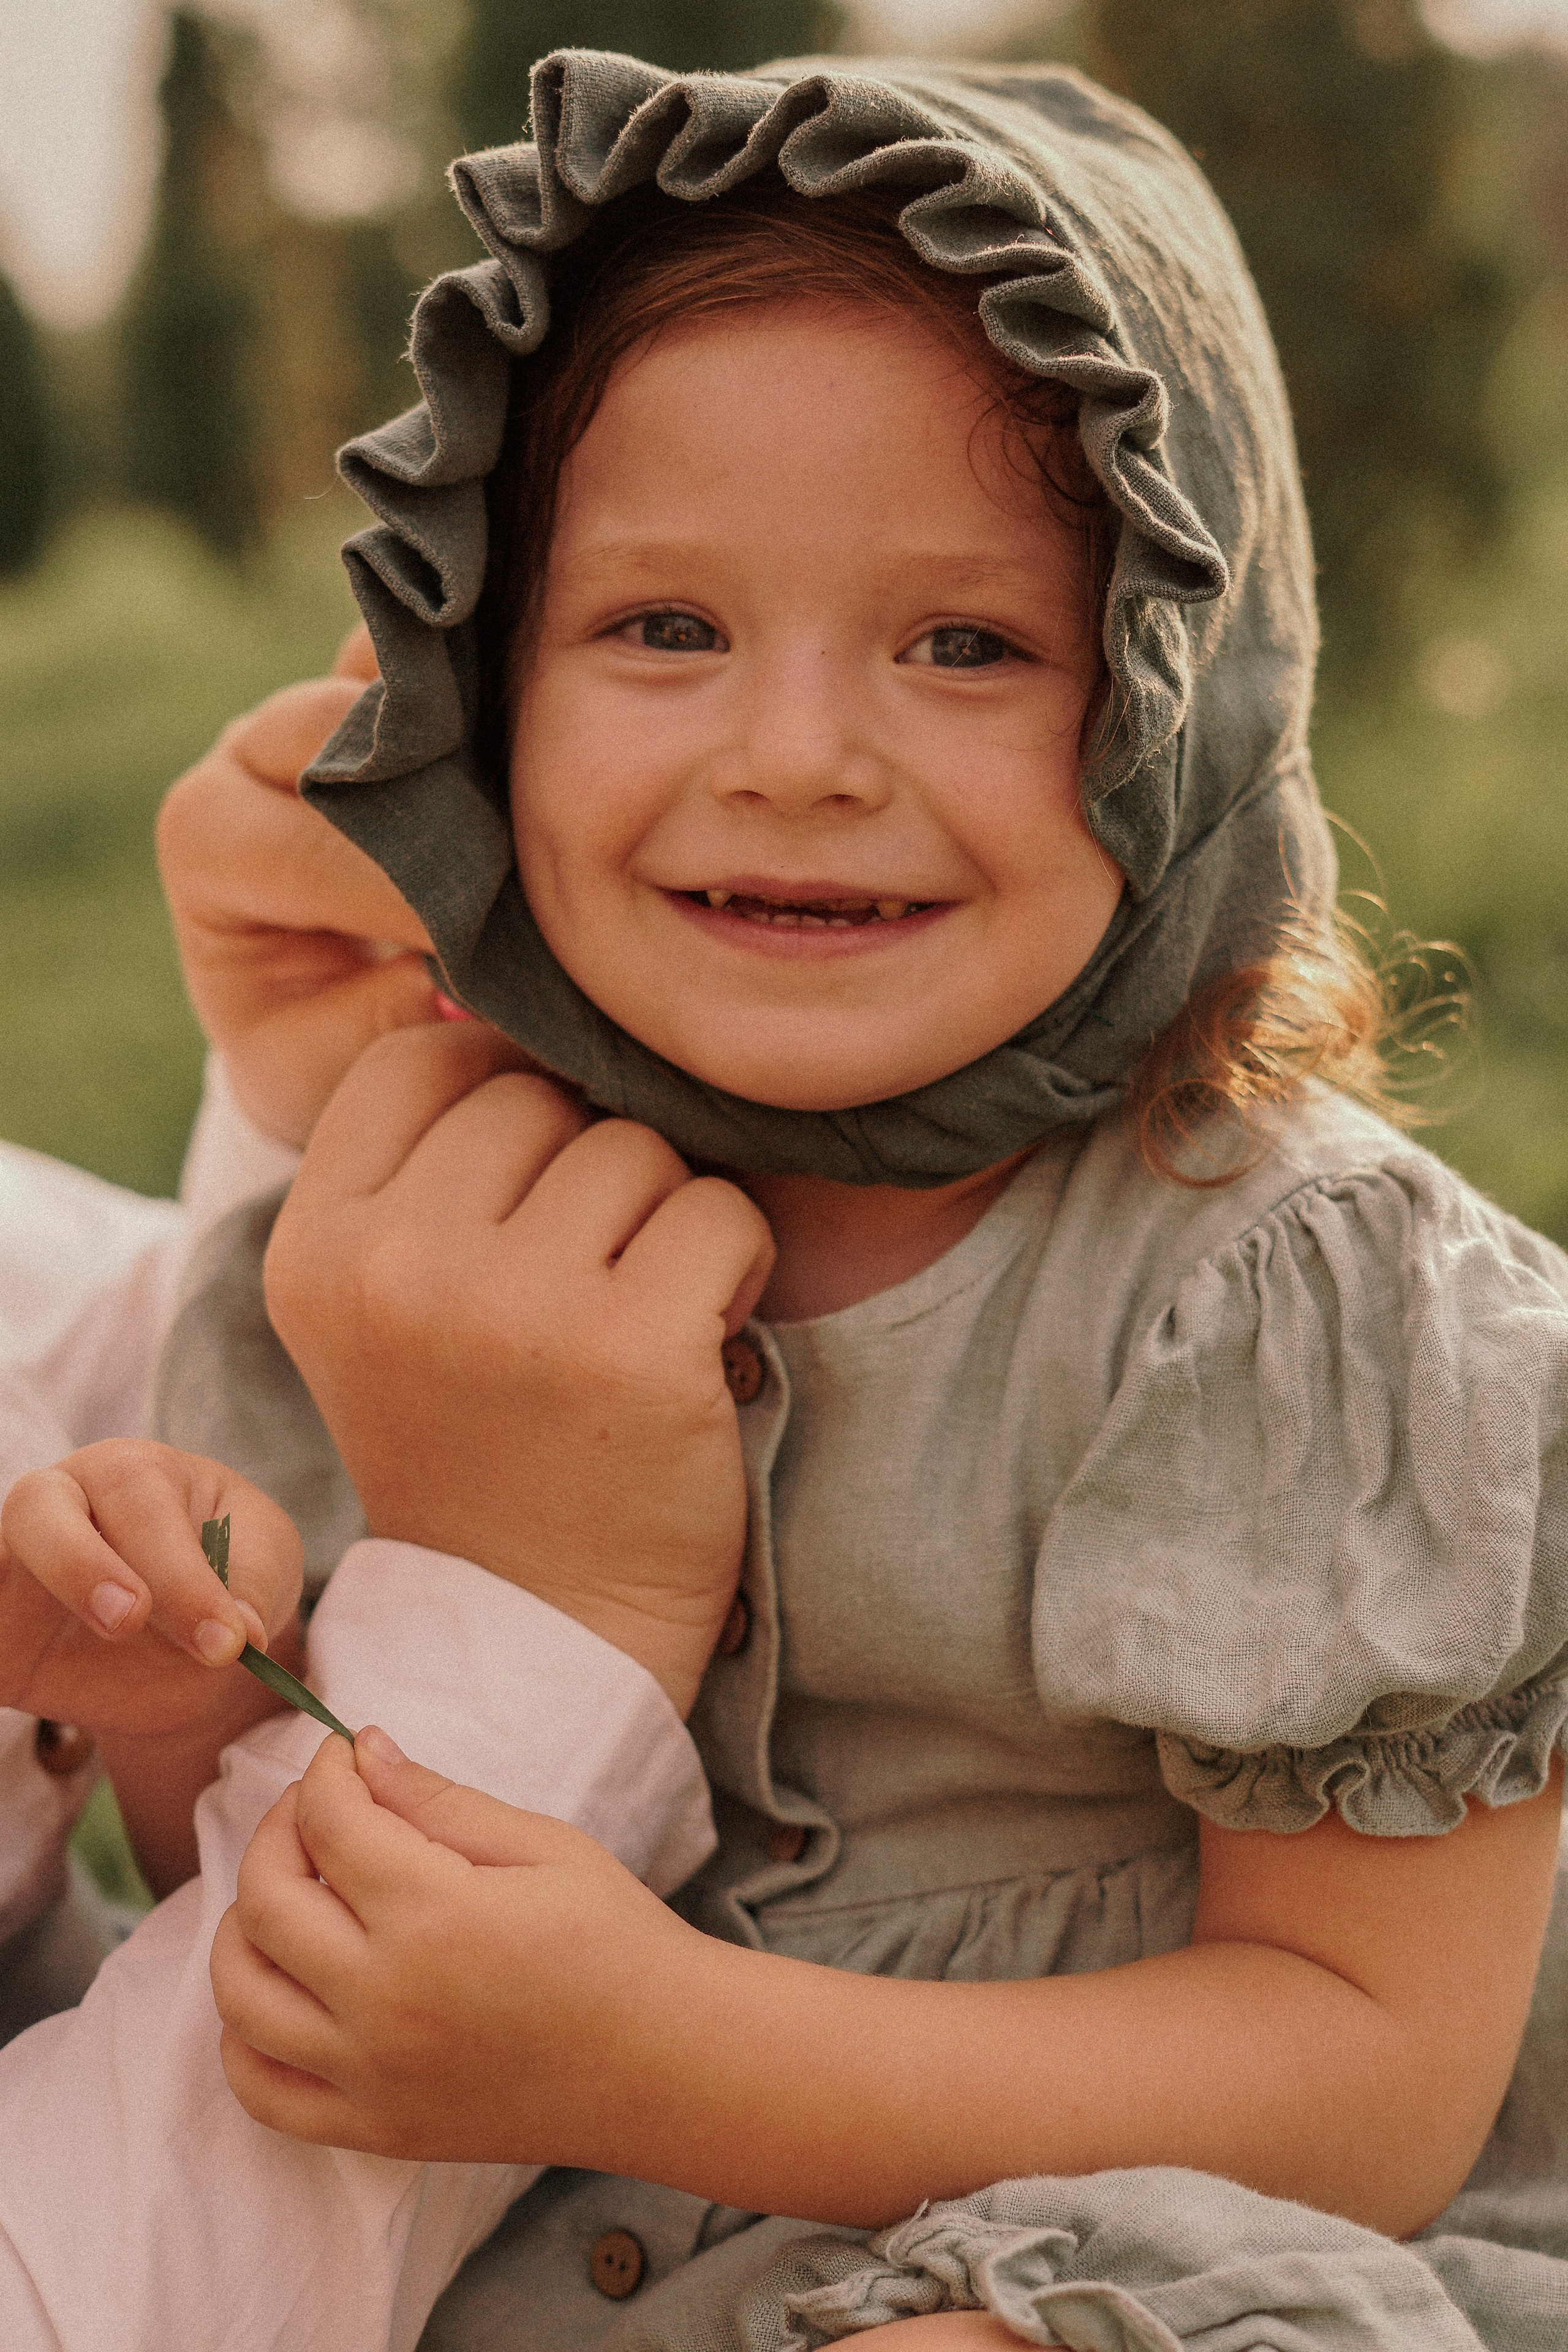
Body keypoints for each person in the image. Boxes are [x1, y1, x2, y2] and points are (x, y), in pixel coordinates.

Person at [105, 46, 1568, 2352]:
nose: (793, 757)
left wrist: (651, 2052)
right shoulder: (437, 1212)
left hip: (1108, 2269)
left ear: (1178, 708)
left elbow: (1373, 2077)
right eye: (662, 631)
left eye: (966, 644)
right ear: (479, 678)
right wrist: (166, 1673)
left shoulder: (1278, 1297)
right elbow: (277, 1850)